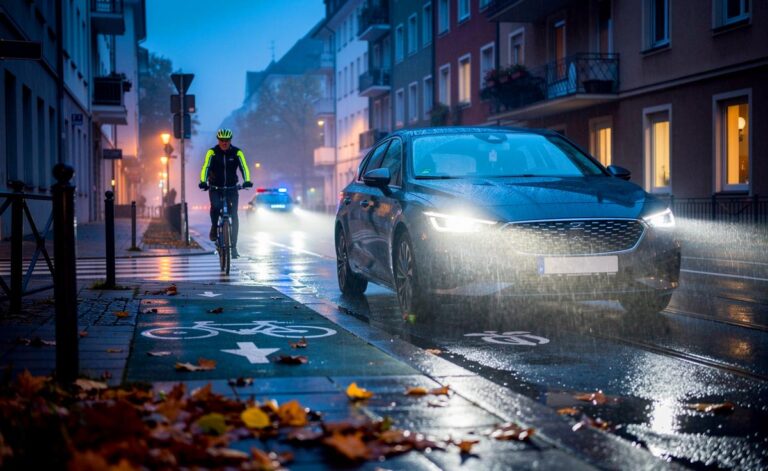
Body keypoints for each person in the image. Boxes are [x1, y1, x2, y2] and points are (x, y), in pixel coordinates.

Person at [199, 128, 253, 258]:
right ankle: (214, 227)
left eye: (227, 140)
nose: (224, 143)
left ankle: (233, 247)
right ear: (218, 140)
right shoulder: (212, 152)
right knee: (216, 206)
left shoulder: (237, 152)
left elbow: (244, 167)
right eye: (222, 140)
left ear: (230, 140)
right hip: (215, 187)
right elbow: (206, 167)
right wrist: (203, 181)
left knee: (234, 215)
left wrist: (247, 180)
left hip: (231, 188)